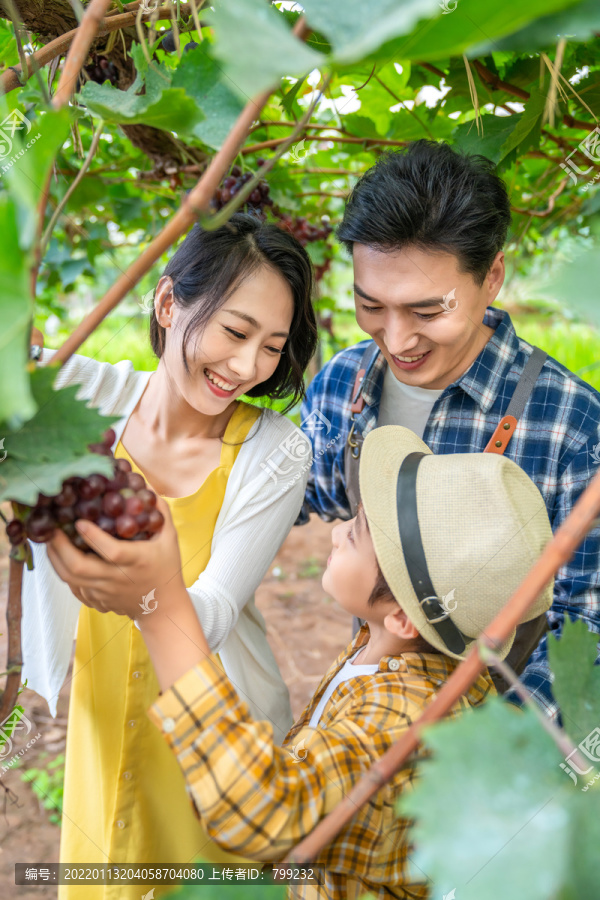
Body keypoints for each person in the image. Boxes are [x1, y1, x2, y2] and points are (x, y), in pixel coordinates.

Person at [46, 424, 554, 900]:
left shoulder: (406, 722)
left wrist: (163, 611)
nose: (335, 533)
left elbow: (263, 810)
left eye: (354, 535)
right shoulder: (387, 650)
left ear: (402, 616)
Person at [22, 213, 318, 899]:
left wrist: (143, 585)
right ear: (167, 302)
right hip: (102, 720)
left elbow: (211, 612)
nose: (247, 367)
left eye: (272, 346)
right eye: (235, 332)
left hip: (213, 739)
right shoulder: (79, 400)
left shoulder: (277, 452)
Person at [297, 139, 600, 719]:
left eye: (428, 311)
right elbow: (288, 493)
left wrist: (481, 761)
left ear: (491, 278)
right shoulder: (345, 383)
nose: (397, 338)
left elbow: (588, 627)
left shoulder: (573, 428)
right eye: (371, 305)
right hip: (372, 718)